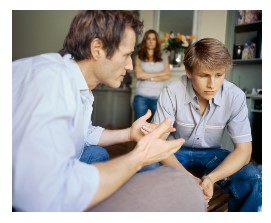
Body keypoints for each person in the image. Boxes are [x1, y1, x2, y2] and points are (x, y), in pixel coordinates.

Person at [12, 10, 206, 212]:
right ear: (97, 49)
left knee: (98, 154)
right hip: (32, 198)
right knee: (183, 185)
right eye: (126, 55)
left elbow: (83, 133)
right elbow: (44, 195)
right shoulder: (50, 81)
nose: (130, 66)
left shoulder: (82, 87)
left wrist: (130, 134)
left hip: (50, 176)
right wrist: (139, 157)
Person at [149, 38, 262, 212]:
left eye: (219, 75)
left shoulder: (235, 96)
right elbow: (156, 145)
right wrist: (188, 178)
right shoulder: (171, 92)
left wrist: (211, 178)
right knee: (145, 166)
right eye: (204, 75)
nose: (212, 85)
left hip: (213, 154)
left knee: (254, 177)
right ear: (188, 71)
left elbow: (244, 152)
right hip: (173, 150)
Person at [132, 29, 171, 122]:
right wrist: (160, 74)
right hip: (141, 96)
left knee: (158, 125)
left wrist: (147, 76)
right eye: (148, 39)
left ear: (156, 41)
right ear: (145, 41)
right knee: (140, 125)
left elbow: (167, 75)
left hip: (158, 97)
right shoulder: (139, 57)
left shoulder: (163, 57)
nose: (150, 41)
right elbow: (138, 75)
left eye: (153, 39)